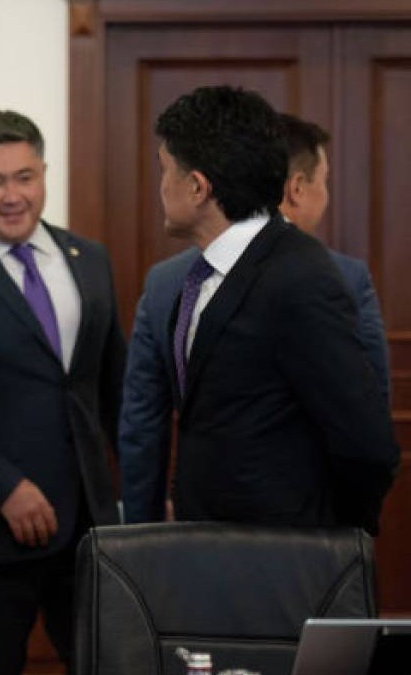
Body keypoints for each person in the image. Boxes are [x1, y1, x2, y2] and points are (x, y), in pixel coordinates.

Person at [118, 85, 399, 533]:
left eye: (165, 171)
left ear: (197, 187)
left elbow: (367, 445)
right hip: (205, 545)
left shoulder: (301, 275)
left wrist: (332, 543)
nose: (161, 187)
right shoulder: (195, 276)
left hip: (281, 554)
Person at [0, 110, 125, 675]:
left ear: (44, 173)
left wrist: (142, 492)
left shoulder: (89, 259)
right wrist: (3, 485)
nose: (12, 196)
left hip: (90, 527)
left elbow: (114, 388)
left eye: (25, 177)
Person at [278, 113, 391, 403]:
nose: (326, 196)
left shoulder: (178, 278)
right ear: (297, 188)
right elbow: (373, 398)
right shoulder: (346, 277)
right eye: (324, 181)